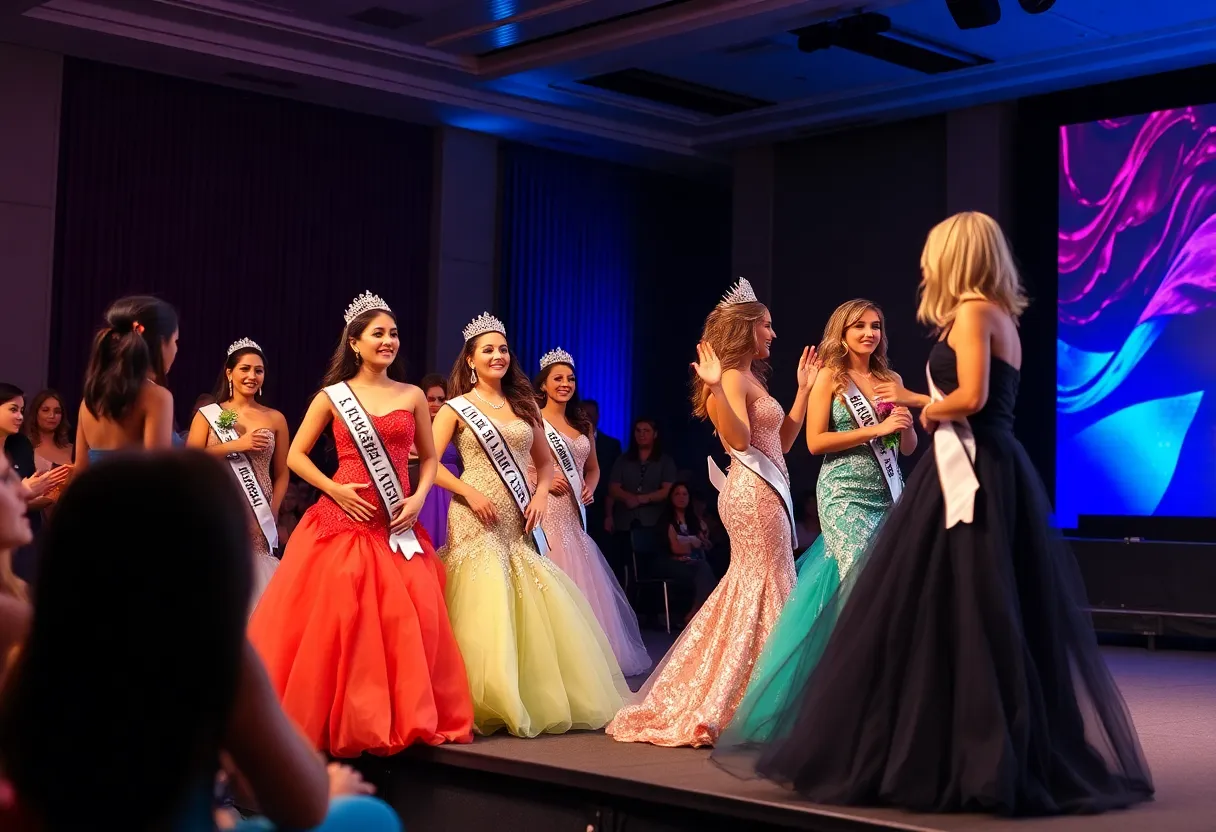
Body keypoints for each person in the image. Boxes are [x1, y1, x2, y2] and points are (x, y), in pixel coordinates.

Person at [715, 212, 1154, 816]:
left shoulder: (974, 312)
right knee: (953, 604)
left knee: (960, 605)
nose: (925, 266)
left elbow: (970, 398)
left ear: (959, 255)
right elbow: (815, 439)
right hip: (946, 470)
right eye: (861, 324)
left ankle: (957, 744)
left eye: (933, 253)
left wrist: (919, 404)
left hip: (972, 466)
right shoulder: (991, 315)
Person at [0, 451, 399, 832]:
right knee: (367, 816)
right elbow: (303, 804)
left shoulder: (34, 653)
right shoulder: (217, 660)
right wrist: (332, 788)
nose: (20, 488)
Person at [248, 292, 473, 756]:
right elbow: (294, 456)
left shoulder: (412, 395)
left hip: (395, 523)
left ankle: (390, 718)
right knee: (341, 623)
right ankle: (330, 720)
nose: (389, 341)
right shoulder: (332, 397)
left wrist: (418, 495)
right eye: (378, 334)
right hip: (342, 518)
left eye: (393, 334)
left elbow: (429, 459)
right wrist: (334, 489)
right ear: (355, 342)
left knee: (402, 626)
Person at [607, 278, 817, 747]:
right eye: (766, 326)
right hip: (752, 495)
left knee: (762, 582)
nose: (773, 334)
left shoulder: (751, 378)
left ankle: (756, 687)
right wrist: (717, 387)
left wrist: (802, 391)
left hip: (766, 487)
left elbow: (779, 444)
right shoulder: (727, 378)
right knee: (761, 583)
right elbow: (740, 441)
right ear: (746, 330)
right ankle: (752, 693)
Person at [718, 299, 915, 744]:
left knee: (882, 586)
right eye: (860, 326)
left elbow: (906, 448)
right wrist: (873, 430)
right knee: (858, 581)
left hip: (886, 493)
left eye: (876, 326)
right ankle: (845, 696)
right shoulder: (831, 376)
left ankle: (874, 692)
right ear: (842, 333)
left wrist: (904, 424)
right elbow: (814, 441)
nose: (869, 333)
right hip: (843, 494)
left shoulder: (891, 380)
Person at [432, 313, 628, 737]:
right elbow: (429, 465)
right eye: (488, 349)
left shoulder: (523, 406)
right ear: (470, 359)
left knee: (519, 595)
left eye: (503, 349)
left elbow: (543, 465)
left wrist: (539, 495)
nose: (498, 355)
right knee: (479, 596)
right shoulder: (455, 408)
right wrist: (468, 492)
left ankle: (521, 691)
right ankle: (476, 697)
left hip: (519, 515)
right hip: (474, 512)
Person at [530, 348, 650, 677]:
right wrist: (543, 479)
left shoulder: (582, 423)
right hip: (546, 512)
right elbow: (522, 466)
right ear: (543, 385)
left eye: (570, 378)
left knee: (582, 584)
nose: (565, 383)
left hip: (574, 515)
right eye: (558, 378)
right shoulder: (531, 419)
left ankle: (583, 660)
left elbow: (594, 469)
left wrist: (589, 487)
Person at [187, 339, 290, 609]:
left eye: (258, 370)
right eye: (245, 369)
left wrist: (274, 509)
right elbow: (189, 461)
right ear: (229, 373)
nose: (252, 376)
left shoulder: (275, 418)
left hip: (259, 514)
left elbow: (282, 473)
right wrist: (236, 445)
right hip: (217, 507)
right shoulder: (208, 415)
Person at [74, 295, 180, 469]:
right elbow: (158, 476)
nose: (176, 349)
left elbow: (79, 470)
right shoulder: (157, 397)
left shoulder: (90, 401)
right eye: (175, 341)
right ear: (161, 343)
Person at [0, 385, 69, 585]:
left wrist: (55, 489)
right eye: (13, 409)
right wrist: (25, 491)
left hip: (27, 537)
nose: (20, 416)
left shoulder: (21, 444)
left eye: (22, 411)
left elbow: (31, 495)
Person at [655, 482, 717, 625]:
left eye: (685, 494)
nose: (681, 497)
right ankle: (697, 612)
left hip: (692, 561)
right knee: (702, 568)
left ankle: (701, 611)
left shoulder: (695, 521)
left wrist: (703, 543)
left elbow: (705, 544)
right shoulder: (667, 521)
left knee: (709, 565)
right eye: (677, 494)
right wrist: (692, 544)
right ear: (671, 497)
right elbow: (675, 549)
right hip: (671, 561)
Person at [413, 373, 460, 549]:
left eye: (441, 399)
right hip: (425, 488)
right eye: (431, 399)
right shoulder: (412, 426)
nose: (436, 404)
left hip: (452, 488)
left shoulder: (455, 427)